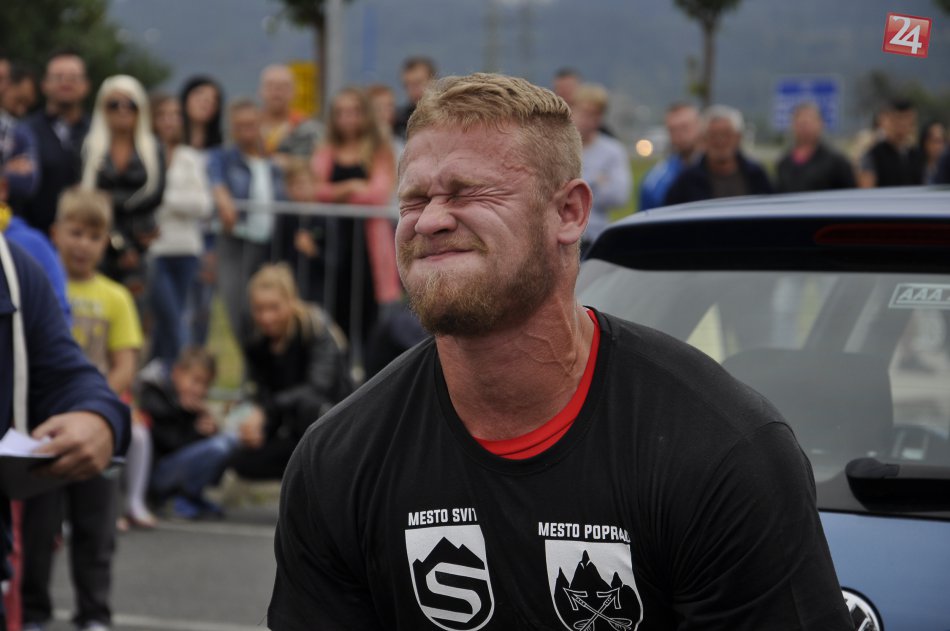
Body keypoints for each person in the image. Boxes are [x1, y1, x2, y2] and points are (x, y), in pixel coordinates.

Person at [267, 72, 852, 630]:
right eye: (414, 200)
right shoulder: (337, 461)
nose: (431, 221)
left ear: (568, 212)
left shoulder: (722, 451)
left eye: (469, 192)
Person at [23, 188, 142, 631]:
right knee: (38, 528)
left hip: (96, 433)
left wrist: (94, 412)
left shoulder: (115, 296)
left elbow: (125, 362)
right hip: (45, 429)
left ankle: (94, 614)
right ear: (55, 233)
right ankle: (32, 611)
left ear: (105, 241)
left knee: (96, 530)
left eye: (94, 236)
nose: (83, 244)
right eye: (75, 232)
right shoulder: (40, 285)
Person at [229, 263, 350, 481]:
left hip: (332, 423)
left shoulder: (315, 328)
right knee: (241, 459)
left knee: (308, 407)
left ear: (291, 301)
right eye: (259, 309)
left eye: (274, 308)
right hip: (293, 432)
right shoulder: (257, 344)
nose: (267, 318)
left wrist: (266, 410)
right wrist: (257, 426)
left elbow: (317, 388)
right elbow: (261, 395)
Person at [311, 88, 401, 354]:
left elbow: (377, 194)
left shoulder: (379, 151)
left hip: (368, 243)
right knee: (334, 311)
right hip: (333, 244)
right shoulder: (326, 150)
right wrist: (351, 187)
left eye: (353, 111)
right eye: (340, 112)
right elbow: (314, 191)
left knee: (369, 315)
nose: (347, 118)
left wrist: (334, 193)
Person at [207, 98, 286, 344]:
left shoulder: (273, 164)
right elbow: (216, 182)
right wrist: (224, 201)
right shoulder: (223, 158)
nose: (246, 132)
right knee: (237, 304)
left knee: (270, 304)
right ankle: (248, 355)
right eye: (240, 126)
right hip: (236, 238)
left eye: (251, 125)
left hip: (270, 242)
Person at [146, 94, 213, 370]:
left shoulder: (190, 157)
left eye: (175, 114)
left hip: (186, 248)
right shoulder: (144, 152)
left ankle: (159, 377)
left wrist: (164, 198)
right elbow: (143, 199)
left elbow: (203, 205)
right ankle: (181, 375)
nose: (170, 121)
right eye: (163, 114)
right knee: (172, 319)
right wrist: (178, 200)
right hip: (154, 249)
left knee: (170, 322)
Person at [80, 75, 165, 293]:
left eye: (131, 104)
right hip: (99, 239)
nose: (122, 110)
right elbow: (84, 195)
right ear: (102, 109)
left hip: (142, 242)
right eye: (114, 104)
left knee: (138, 306)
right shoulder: (89, 148)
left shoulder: (153, 148)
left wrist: (109, 201)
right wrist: (117, 240)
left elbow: (155, 195)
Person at [140, 347, 236, 519]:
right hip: (154, 474)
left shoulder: (191, 405)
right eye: (195, 380)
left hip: (173, 467)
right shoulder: (154, 394)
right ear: (177, 373)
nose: (199, 390)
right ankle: (176, 501)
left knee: (231, 441)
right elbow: (168, 441)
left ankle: (189, 497)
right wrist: (194, 429)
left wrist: (209, 428)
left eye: (206, 385)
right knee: (219, 447)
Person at [23, 50, 90, 236]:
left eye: (73, 77)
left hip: (90, 239)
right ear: (44, 84)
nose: (66, 83)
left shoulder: (99, 133)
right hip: (33, 235)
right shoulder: (23, 132)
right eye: (58, 77)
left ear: (86, 85)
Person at [179, 76, 224, 348]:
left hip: (207, 237)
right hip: (176, 235)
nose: (206, 104)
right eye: (200, 96)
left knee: (202, 308)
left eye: (213, 100)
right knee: (179, 308)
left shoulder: (218, 152)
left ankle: (196, 362)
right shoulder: (171, 144)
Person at [664, 105, 773, 205]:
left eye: (726, 134)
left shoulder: (756, 176)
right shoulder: (687, 181)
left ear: (737, 138)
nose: (720, 141)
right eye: (713, 135)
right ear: (704, 139)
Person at [571, 83, 631, 250]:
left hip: (595, 239)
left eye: (594, 114)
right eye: (584, 112)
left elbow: (619, 196)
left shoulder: (613, 151)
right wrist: (596, 181)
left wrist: (575, 187)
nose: (588, 120)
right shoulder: (559, 148)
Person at [775, 102, 855, 193]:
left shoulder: (836, 162)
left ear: (821, 124)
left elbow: (850, 194)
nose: (804, 127)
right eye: (800, 122)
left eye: (809, 122)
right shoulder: (784, 164)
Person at [639, 102, 701, 210]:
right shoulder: (655, 181)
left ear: (699, 126)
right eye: (673, 130)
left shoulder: (720, 168)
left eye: (685, 127)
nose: (679, 134)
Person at [258, 64, 321, 168]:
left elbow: (316, 164)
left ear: (293, 92)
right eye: (270, 86)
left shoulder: (309, 129)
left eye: (283, 87)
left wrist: (291, 163)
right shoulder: (248, 126)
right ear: (261, 91)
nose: (276, 92)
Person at [857, 99, 924, 188]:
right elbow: (866, 190)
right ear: (887, 120)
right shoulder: (873, 155)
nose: (902, 124)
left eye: (907, 120)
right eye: (898, 119)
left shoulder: (916, 155)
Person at [393, 57, 436, 140]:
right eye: (407, 85)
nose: (412, 90)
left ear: (433, 81)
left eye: (417, 83)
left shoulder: (451, 116)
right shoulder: (398, 121)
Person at [920, 120, 947, 185]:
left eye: (940, 141)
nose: (938, 146)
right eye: (934, 141)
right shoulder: (916, 166)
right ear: (925, 142)